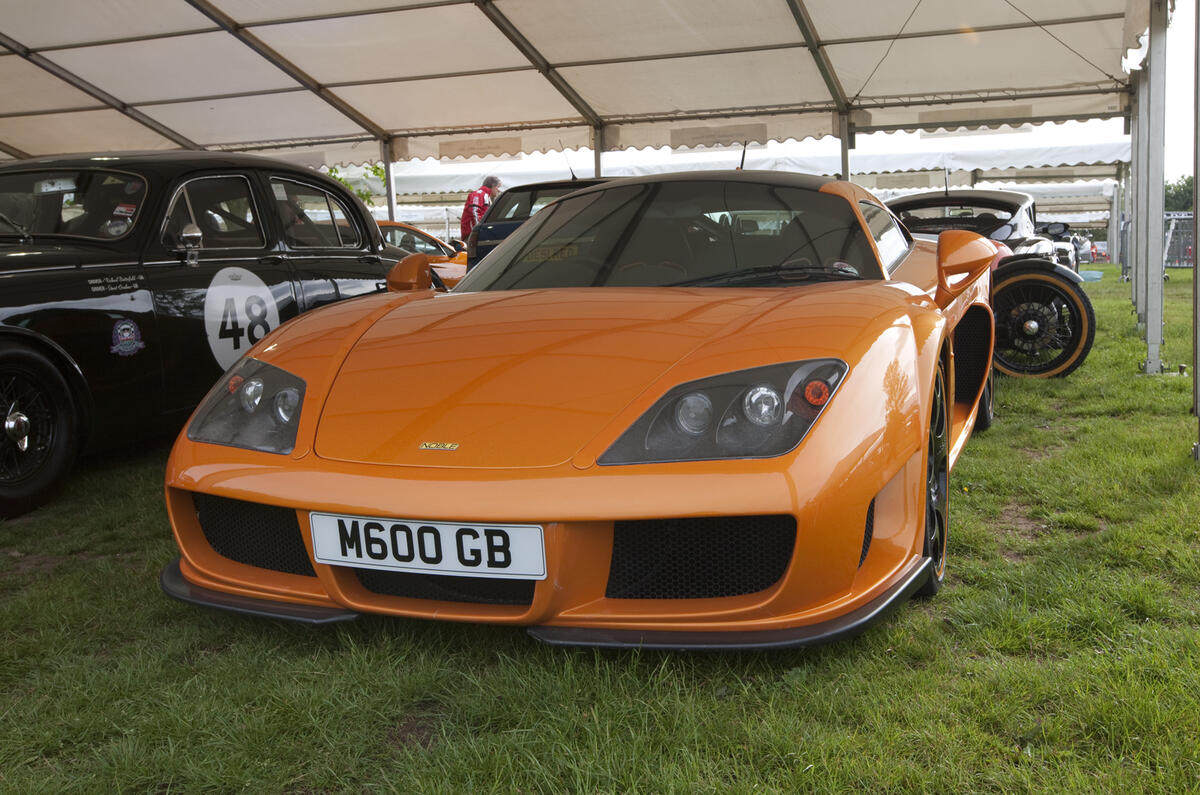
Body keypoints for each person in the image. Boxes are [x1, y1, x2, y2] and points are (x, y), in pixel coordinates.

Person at [461, 176, 500, 240]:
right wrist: (479, 231)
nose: (499, 190)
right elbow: (474, 212)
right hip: (473, 235)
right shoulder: (479, 194)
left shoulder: (485, 196)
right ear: (493, 186)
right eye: (498, 187)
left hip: (476, 234)